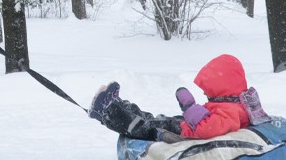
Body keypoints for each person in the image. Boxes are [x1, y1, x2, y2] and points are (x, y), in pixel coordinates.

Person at [87, 54, 268, 142]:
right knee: (152, 118)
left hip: (182, 135)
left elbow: (208, 129)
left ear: (223, 86)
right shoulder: (235, 104)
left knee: (143, 128)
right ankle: (119, 105)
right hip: (184, 127)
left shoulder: (233, 111)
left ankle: (107, 111)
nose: (206, 95)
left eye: (209, 91)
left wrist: (190, 108)